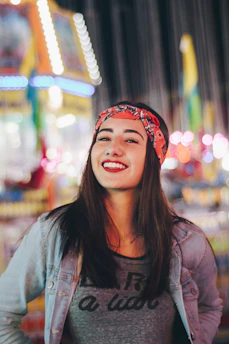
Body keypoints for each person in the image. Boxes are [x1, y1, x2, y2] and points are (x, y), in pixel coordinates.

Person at [0, 101, 223, 344]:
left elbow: (208, 308)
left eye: (130, 140)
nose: (112, 148)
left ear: (154, 156)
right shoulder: (55, 232)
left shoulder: (187, 240)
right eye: (104, 138)